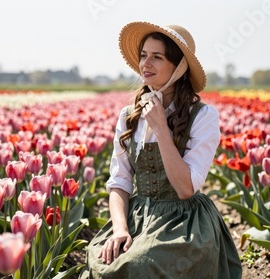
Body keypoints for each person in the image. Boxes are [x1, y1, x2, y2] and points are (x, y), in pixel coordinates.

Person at [80, 21, 242, 279]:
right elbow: (120, 182)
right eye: (144, 55)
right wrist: (121, 229)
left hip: (183, 222)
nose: (146, 64)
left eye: (157, 57)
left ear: (179, 67)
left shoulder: (202, 117)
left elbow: (185, 188)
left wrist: (161, 129)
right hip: (136, 217)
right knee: (102, 261)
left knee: (140, 265)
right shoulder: (128, 116)